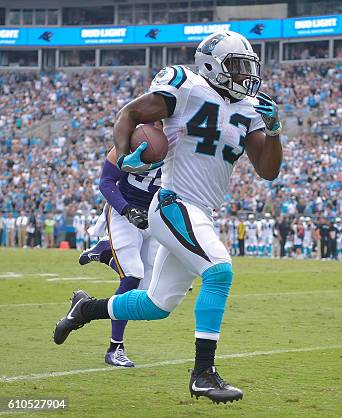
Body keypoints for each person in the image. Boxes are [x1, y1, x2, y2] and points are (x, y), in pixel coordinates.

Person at [53, 30, 283, 403]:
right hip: (174, 201)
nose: (245, 75)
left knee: (155, 305)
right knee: (220, 270)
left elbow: (268, 169)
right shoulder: (187, 86)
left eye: (248, 67)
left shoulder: (250, 107)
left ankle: (85, 308)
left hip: (202, 211)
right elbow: (130, 113)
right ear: (212, 65)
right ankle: (203, 374)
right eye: (237, 66)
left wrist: (273, 131)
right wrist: (126, 152)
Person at [79, 144, 162, 367]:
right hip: (124, 211)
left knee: (147, 294)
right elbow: (106, 181)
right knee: (132, 276)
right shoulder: (133, 138)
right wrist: (126, 209)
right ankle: (115, 348)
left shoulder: (182, 140)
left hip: (154, 217)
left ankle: (106, 253)